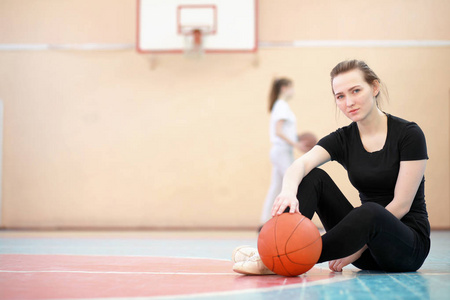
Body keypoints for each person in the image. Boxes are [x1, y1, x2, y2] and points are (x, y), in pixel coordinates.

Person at [233, 60, 430, 274]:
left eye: (356, 91)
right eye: (340, 96)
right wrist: (288, 192)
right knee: (312, 176)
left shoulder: (409, 134)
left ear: (374, 88)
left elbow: (401, 205)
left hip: (405, 247)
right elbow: (300, 164)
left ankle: (276, 258)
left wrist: (357, 248)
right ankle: (276, 249)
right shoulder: (343, 138)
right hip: (363, 247)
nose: (349, 102)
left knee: (371, 211)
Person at [260, 78, 305, 226]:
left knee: (277, 186)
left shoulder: (279, 106)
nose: (294, 90)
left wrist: (296, 140)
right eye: (292, 87)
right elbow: (278, 131)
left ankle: (265, 222)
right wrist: (297, 144)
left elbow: (284, 131)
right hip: (281, 151)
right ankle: (298, 222)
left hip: (281, 151)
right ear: (284, 88)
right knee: (296, 182)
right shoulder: (281, 106)